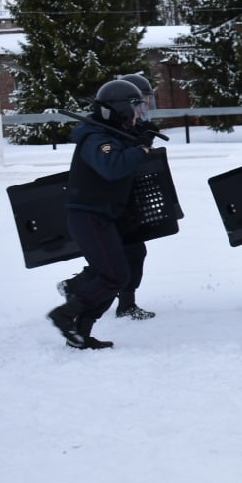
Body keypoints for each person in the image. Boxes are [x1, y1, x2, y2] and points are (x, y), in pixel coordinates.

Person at [47, 79, 158, 349]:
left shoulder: (111, 133)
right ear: (120, 109)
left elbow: (122, 149)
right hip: (88, 215)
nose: (139, 113)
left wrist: (138, 134)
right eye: (135, 107)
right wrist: (140, 148)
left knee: (115, 273)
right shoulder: (95, 138)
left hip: (103, 215)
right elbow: (113, 166)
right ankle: (65, 314)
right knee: (113, 276)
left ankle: (80, 332)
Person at [105, 71, 163, 320]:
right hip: (113, 203)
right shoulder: (114, 129)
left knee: (130, 251)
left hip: (129, 201)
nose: (146, 107)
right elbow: (118, 162)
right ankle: (81, 290)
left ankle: (125, 301)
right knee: (124, 252)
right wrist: (140, 145)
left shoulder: (133, 126)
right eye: (142, 102)